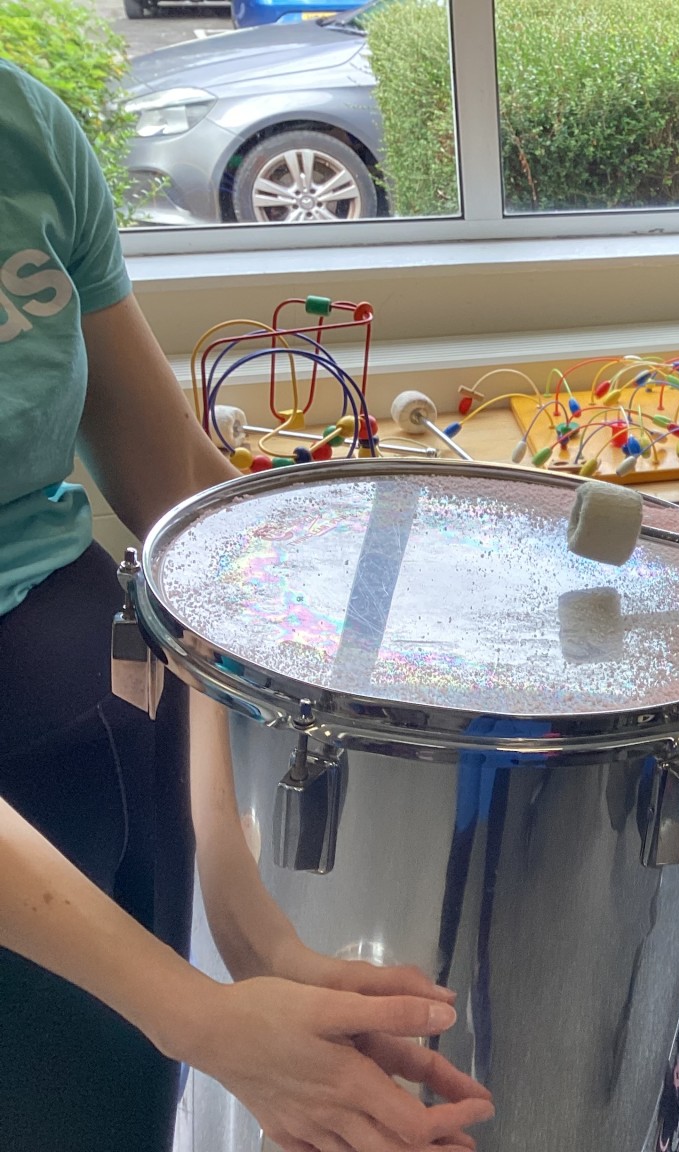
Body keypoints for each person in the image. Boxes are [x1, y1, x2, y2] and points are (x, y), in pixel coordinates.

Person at [0, 57, 493, 1150]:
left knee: (123, 1114)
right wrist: (207, 1016)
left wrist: (248, 931)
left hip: (117, 714)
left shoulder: (27, 127)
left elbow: (179, 510)